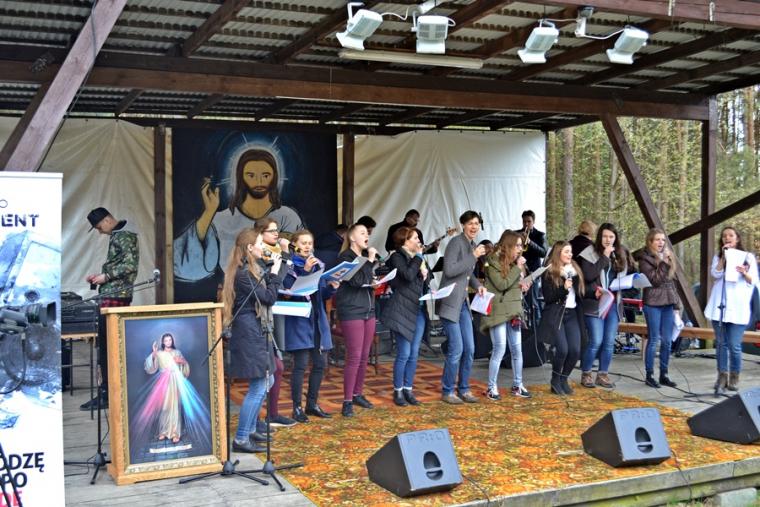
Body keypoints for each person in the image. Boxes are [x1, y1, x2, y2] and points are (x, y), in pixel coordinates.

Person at [174, 148, 304, 285]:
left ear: (274, 177)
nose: (259, 181)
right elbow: (186, 266)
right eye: (251, 175)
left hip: (279, 292)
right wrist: (208, 213)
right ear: (240, 177)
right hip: (237, 292)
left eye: (266, 175)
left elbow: (300, 260)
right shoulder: (222, 220)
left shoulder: (287, 217)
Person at [222, 226, 283, 453]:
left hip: (255, 329)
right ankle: (241, 438)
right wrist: (275, 273)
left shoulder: (249, 269)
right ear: (249, 247)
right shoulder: (243, 274)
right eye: (259, 244)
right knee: (259, 385)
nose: (262, 247)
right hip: (248, 332)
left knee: (267, 380)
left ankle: (251, 429)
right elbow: (268, 298)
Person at [81, 207, 139, 411]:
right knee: (106, 346)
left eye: (99, 227)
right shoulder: (120, 235)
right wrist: (100, 277)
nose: (100, 232)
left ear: (107, 221)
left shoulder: (124, 236)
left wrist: (105, 277)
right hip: (113, 294)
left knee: (108, 346)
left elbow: (130, 266)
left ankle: (107, 392)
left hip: (116, 296)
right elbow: (122, 265)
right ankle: (106, 390)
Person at [283, 230, 338, 422]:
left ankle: (312, 404)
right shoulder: (289, 265)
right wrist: (305, 271)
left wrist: (331, 288)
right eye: (303, 243)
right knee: (300, 365)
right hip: (299, 319)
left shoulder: (318, 265)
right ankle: (296, 408)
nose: (307, 246)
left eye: (310, 243)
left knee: (320, 363)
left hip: (317, 319)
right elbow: (290, 289)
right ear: (294, 245)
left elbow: (321, 295)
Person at [437, 210, 488, 405]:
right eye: (470, 223)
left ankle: (464, 388)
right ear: (463, 225)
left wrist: (478, 285)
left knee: (470, 348)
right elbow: (450, 270)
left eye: (477, 223)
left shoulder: (472, 245)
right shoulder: (456, 243)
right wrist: (473, 256)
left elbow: (468, 273)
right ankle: (448, 390)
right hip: (450, 303)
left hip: (463, 304)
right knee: (456, 348)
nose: (474, 227)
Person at [131, 333, 211, 449]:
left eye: (170, 340)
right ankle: (163, 431)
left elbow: (185, 364)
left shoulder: (177, 352)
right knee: (164, 407)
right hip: (163, 382)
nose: (168, 342)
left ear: (172, 341)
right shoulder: (159, 353)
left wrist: (181, 362)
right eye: (166, 340)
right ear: (163, 342)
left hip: (175, 381)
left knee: (174, 406)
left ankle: (175, 433)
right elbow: (150, 368)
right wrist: (153, 354)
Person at [381, 226, 432, 407]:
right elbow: (408, 275)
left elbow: (427, 279)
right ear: (405, 241)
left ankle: (408, 389)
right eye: (415, 238)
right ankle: (398, 390)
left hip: (418, 309)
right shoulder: (397, 257)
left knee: (414, 353)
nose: (419, 241)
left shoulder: (419, 258)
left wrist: (425, 273)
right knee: (404, 353)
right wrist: (418, 257)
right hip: (402, 310)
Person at [704, 226, 758, 394]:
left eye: (730, 235)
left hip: (738, 307)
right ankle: (722, 376)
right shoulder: (719, 256)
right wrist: (723, 257)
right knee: (721, 344)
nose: (727, 238)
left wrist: (744, 273)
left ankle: (734, 376)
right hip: (720, 307)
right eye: (724, 236)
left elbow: (753, 280)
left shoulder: (747, 257)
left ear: (737, 238)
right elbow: (715, 274)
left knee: (734, 345)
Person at [335, 223, 380, 417]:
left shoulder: (364, 259)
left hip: (368, 310)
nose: (366, 235)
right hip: (352, 310)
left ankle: (357, 393)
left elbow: (366, 280)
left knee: (364, 356)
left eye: (367, 233)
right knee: (354, 356)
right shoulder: (345, 258)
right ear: (352, 237)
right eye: (362, 233)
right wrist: (369, 260)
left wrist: (374, 281)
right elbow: (355, 281)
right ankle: (346, 401)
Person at [578, 223, 630, 389]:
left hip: (613, 303)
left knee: (608, 342)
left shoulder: (619, 253)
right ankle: (586, 373)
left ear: (616, 238)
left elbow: (624, 274)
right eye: (605, 236)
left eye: (611, 237)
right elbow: (588, 275)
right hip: (594, 303)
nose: (608, 240)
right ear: (599, 236)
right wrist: (605, 257)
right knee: (596, 341)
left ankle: (602, 374)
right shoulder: (589, 252)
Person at [480, 230, 531, 400]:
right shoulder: (492, 261)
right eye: (517, 245)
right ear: (508, 245)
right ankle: (491, 387)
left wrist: (524, 285)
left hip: (514, 310)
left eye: (521, 246)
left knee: (517, 349)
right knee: (500, 348)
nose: (520, 249)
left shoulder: (515, 262)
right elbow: (501, 284)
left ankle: (518, 384)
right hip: (499, 311)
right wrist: (517, 268)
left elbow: (514, 283)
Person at [256, 218, 297, 428]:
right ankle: (257, 419)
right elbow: (276, 280)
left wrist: (285, 255)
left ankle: (271, 414)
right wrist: (284, 255)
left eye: (276, 230)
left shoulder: (273, 254)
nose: (276, 234)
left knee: (277, 367)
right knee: (268, 369)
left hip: (271, 315)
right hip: (259, 318)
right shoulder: (258, 258)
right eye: (271, 231)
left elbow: (284, 276)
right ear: (260, 234)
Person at [537, 241, 586, 396]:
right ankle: (555, 379)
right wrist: (563, 289)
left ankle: (564, 378)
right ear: (558, 253)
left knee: (575, 350)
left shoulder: (574, 270)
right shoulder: (549, 271)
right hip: (556, 314)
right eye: (566, 252)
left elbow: (581, 293)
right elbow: (548, 297)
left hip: (572, 314)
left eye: (570, 252)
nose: (570, 254)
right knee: (563, 350)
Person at [638, 228, 679, 389]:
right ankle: (649, 375)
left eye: (663, 239)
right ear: (650, 242)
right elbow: (654, 281)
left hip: (668, 304)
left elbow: (672, 283)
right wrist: (664, 263)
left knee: (667, 341)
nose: (661, 242)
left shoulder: (667, 258)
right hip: (653, 304)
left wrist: (676, 306)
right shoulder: (644, 259)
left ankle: (664, 374)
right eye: (657, 239)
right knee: (654, 339)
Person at [515, 210, 548, 321]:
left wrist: (529, 242)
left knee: (533, 301)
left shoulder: (540, 235)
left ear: (534, 221)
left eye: (529, 221)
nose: (526, 224)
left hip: (533, 272)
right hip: (519, 271)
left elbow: (543, 252)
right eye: (524, 221)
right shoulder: (517, 234)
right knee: (521, 300)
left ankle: (536, 324)